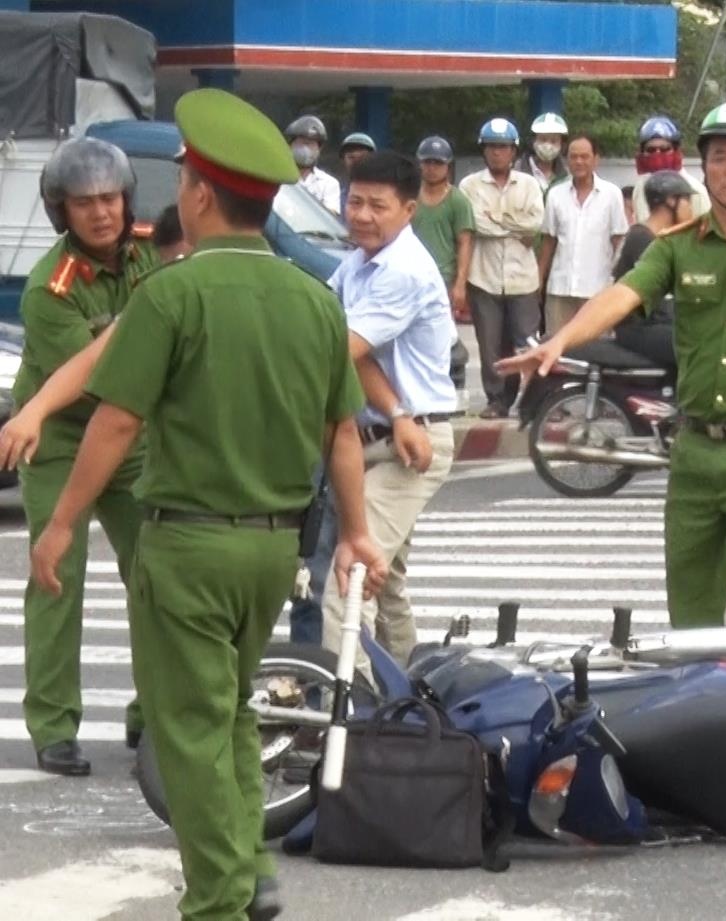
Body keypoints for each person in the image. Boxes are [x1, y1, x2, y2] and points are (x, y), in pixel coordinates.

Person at [25, 87, 387, 921]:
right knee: (227, 711)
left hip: (187, 545)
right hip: (272, 552)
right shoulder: (313, 297)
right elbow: (342, 432)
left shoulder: (170, 293)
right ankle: (251, 866)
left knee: (186, 729)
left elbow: (115, 422)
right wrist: (357, 532)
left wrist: (61, 521)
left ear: (196, 194)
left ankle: (218, 898)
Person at [498, 102, 726, 687]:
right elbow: (622, 296)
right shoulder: (678, 246)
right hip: (694, 446)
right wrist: (560, 340)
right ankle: (708, 694)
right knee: (691, 586)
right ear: (704, 169)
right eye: (720, 157)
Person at [10, 138, 158, 775]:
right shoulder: (50, 288)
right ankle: (52, 725)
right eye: (84, 203)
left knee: (154, 575)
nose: (101, 213)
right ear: (60, 211)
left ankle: (152, 714)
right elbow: (97, 377)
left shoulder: (152, 251)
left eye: (110, 198)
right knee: (55, 576)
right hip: (64, 439)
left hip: (131, 435)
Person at [321, 151, 459, 670]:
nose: (361, 215)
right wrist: (396, 408)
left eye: (377, 206)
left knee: (349, 583)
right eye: (354, 201)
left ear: (408, 210)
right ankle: (408, 704)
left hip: (412, 445)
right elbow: (348, 353)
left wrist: (401, 414)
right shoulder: (357, 262)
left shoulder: (403, 269)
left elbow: (337, 351)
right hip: (386, 432)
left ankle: (351, 717)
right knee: (387, 581)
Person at [459, 118, 545, 419]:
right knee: (491, 346)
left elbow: (535, 223)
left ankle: (537, 400)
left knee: (528, 344)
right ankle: (497, 400)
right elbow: (476, 224)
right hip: (484, 278)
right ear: (484, 150)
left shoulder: (530, 184)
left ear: (514, 151)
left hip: (523, 279)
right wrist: (512, 225)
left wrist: (496, 220)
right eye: (493, 147)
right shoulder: (469, 185)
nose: (498, 153)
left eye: (504, 147)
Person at [538, 134, 628, 333]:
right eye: (573, 156)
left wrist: (619, 286)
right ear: (567, 159)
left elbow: (618, 242)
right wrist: (539, 280)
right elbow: (548, 242)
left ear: (596, 159)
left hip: (597, 291)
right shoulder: (555, 194)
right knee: (558, 353)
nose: (579, 161)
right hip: (560, 289)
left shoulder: (611, 194)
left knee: (595, 351)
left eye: (584, 156)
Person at [610, 169, 694, 368]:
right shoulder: (642, 238)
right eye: (687, 201)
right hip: (637, 327)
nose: (691, 208)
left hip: (653, 323)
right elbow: (657, 295)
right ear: (672, 201)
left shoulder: (657, 238)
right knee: (695, 347)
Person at [411, 135, 475, 324]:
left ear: (448, 166)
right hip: (410, 275)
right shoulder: (409, 196)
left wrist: (460, 284)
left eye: (438, 163)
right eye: (427, 162)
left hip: (443, 278)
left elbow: (465, 243)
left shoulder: (458, 200)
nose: (432, 168)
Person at [630, 115, 710, 222]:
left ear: (676, 150)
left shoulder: (695, 190)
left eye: (664, 149)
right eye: (651, 150)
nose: (657, 154)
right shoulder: (640, 188)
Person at [285, 114, 341, 214]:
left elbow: (330, 217)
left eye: (310, 144)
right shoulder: (279, 179)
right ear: (290, 146)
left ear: (319, 149)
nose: (305, 149)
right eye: (301, 142)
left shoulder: (329, 183)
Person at [524, 112, 570, 193]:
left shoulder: (567, 176)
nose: (548, 146)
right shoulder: (518, 172)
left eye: (553, 141)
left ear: (562, 144)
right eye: (543, 139)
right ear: (533, 141)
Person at [338, 132, 377, 213]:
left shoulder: (383, 193)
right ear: (343, 161)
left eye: (362, 157)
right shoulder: (336, 194)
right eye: (351, 157)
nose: (356, 162)